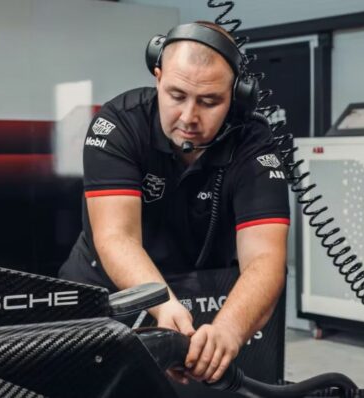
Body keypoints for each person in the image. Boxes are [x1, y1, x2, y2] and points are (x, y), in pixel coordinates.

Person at [59, 21, 290, 385]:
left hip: (207, 294)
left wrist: (227, 332)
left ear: (237, 96)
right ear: (157, 76)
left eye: (210, 101)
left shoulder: (254, 144)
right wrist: (163, 307)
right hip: (108, 292)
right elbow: (116, 238)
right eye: (176, 95)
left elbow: (266, 259)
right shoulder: (118, 124)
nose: (189, 117)